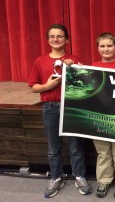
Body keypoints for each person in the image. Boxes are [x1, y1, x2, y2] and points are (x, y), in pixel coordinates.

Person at [28, 24, 92, 198]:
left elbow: (84, 85)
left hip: (71, 107)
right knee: (53, 147)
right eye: (52, 36)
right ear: (48, 40)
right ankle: (56, 177)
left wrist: (74, 69)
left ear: (67, 40)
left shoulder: (75, 59)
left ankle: (79, 176)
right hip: (50, 108)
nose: (56, 39)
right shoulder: (40, 61)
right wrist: (48, 86)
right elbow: (34, 87)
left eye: (60, 36)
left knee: (75, 146)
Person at [92, 32, 115, 198]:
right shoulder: (92, 66)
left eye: (109, 46)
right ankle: (104, 180)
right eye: (102, 46)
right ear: (98, 48)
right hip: (98, 116)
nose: (106, 49)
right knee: (103, 151)